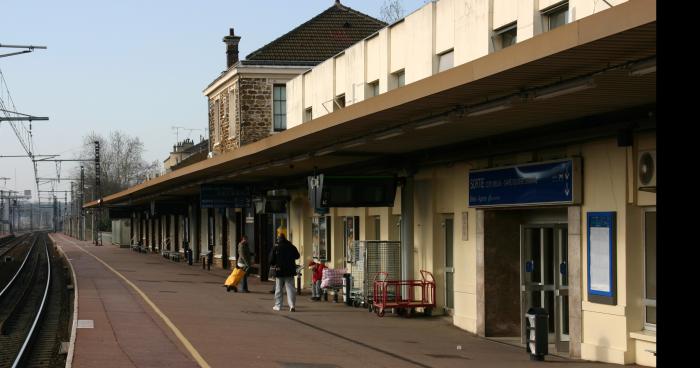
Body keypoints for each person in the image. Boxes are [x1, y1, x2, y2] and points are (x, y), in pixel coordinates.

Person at [269, 232, 300, 312]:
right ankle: (292, 305)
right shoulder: (291, 246)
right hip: (290, 271)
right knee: (290, 289)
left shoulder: (276, 247)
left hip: (279, 271)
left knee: (279, 289)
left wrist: (274, 263)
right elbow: (297, 256)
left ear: (278, 239)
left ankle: (278, 305)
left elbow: (271, 260)